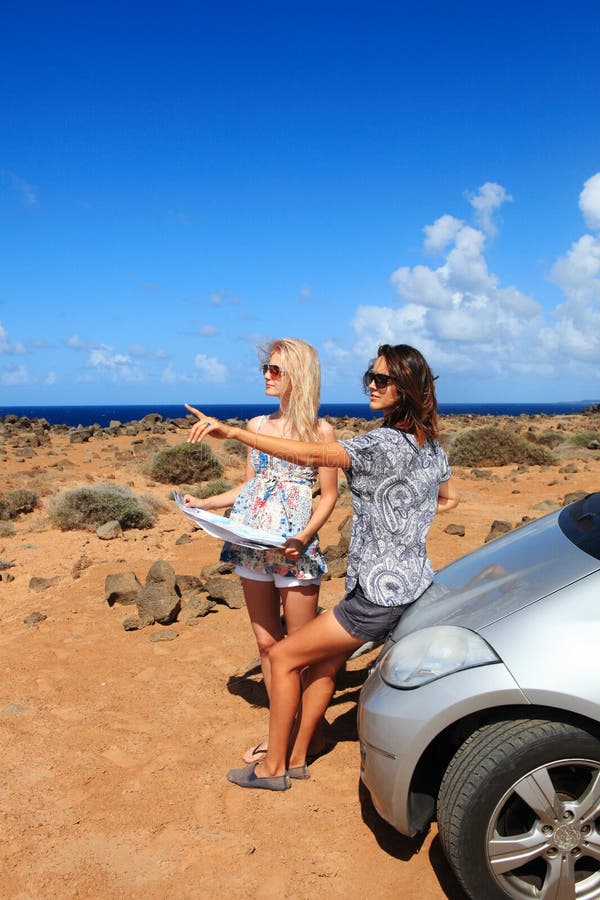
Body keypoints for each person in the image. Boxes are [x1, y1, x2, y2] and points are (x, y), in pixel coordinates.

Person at [186, 343, 459, 791]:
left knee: (283, 655)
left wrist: (236, 434)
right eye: (368, 377)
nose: (371, 385)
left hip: (375, 596)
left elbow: (312, 457)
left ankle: (273, 769)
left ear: (407, 389)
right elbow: (449, 498)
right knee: (325, 661)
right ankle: (300, 751)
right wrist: (405, 518)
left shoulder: (380, 443)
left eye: (382, 380)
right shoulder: (431, 448)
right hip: (410, 583)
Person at [183, 338, 338, 764]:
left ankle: (308, 735)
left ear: (298, 377)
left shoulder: (320, 432)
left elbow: (327, 496)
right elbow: (248, 486)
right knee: (267, 645)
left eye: (276, 370)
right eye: (265, 370)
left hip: (293, 550)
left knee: (298, 649)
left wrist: (304, 537)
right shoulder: (257, 424)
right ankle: (281, 732)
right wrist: (206, 503)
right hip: (252, 546)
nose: (267, 377)